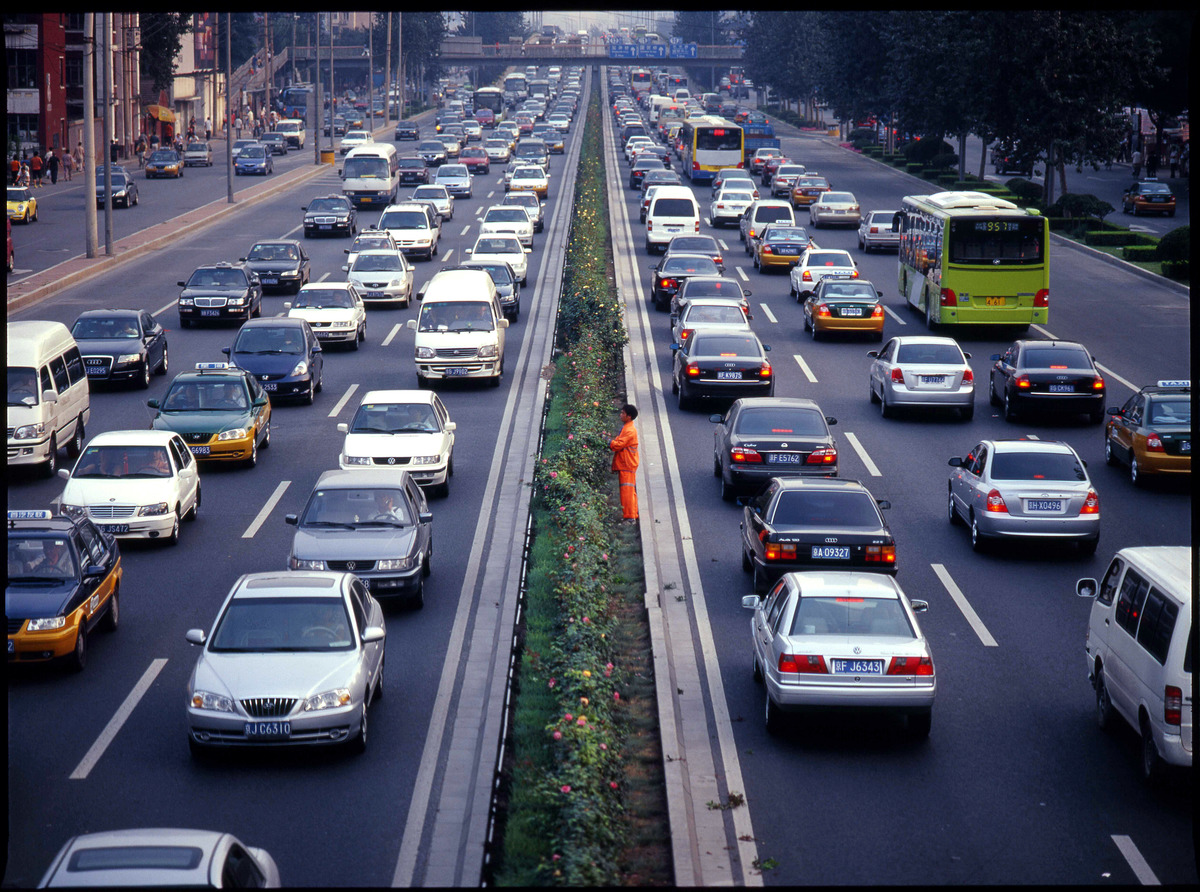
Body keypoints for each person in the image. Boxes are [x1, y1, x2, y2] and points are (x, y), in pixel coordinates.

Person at [608, 403, 640, 525]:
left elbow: (618, 445)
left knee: (626, 492)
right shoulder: (627, 428)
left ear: (629, 416)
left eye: (623, 413)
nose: (620, 415)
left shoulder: (629, 430)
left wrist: (608, 442)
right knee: (630, 491)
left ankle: (629, 517)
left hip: (627, 464)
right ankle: (633, 514)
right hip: (627, 464)